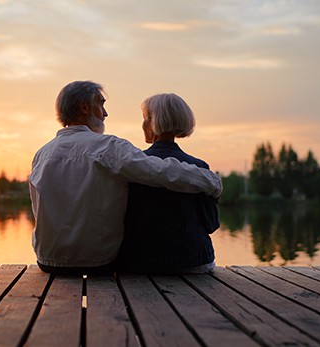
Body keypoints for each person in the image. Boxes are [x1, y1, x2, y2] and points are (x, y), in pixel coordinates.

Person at [29, 81, 222, 275]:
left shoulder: (42, 154)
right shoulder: (108, 147)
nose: (105, 113)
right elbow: (161, 171)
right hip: (97, 262)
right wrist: (210, 181)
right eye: (101, 104)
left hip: (47, 261)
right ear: (84, 107)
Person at [118, 93, 219, 274]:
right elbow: (211, 224)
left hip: (141, 262)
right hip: (193, 262)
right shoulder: (198, 167)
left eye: (144, 118)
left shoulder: (133, 166)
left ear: (151, 122)